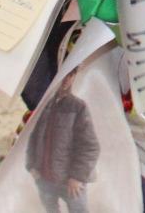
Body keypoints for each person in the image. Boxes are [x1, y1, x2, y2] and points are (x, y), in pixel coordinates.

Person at [24, 70, 99, 213]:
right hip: (44, 180)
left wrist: (77, 177)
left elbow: (90, 147)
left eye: (71, 75)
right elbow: (32, 138)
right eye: (63, 74)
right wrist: (31, 166)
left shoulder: (78, 107)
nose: (66, 80)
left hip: (70, 182)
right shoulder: (44, 105)